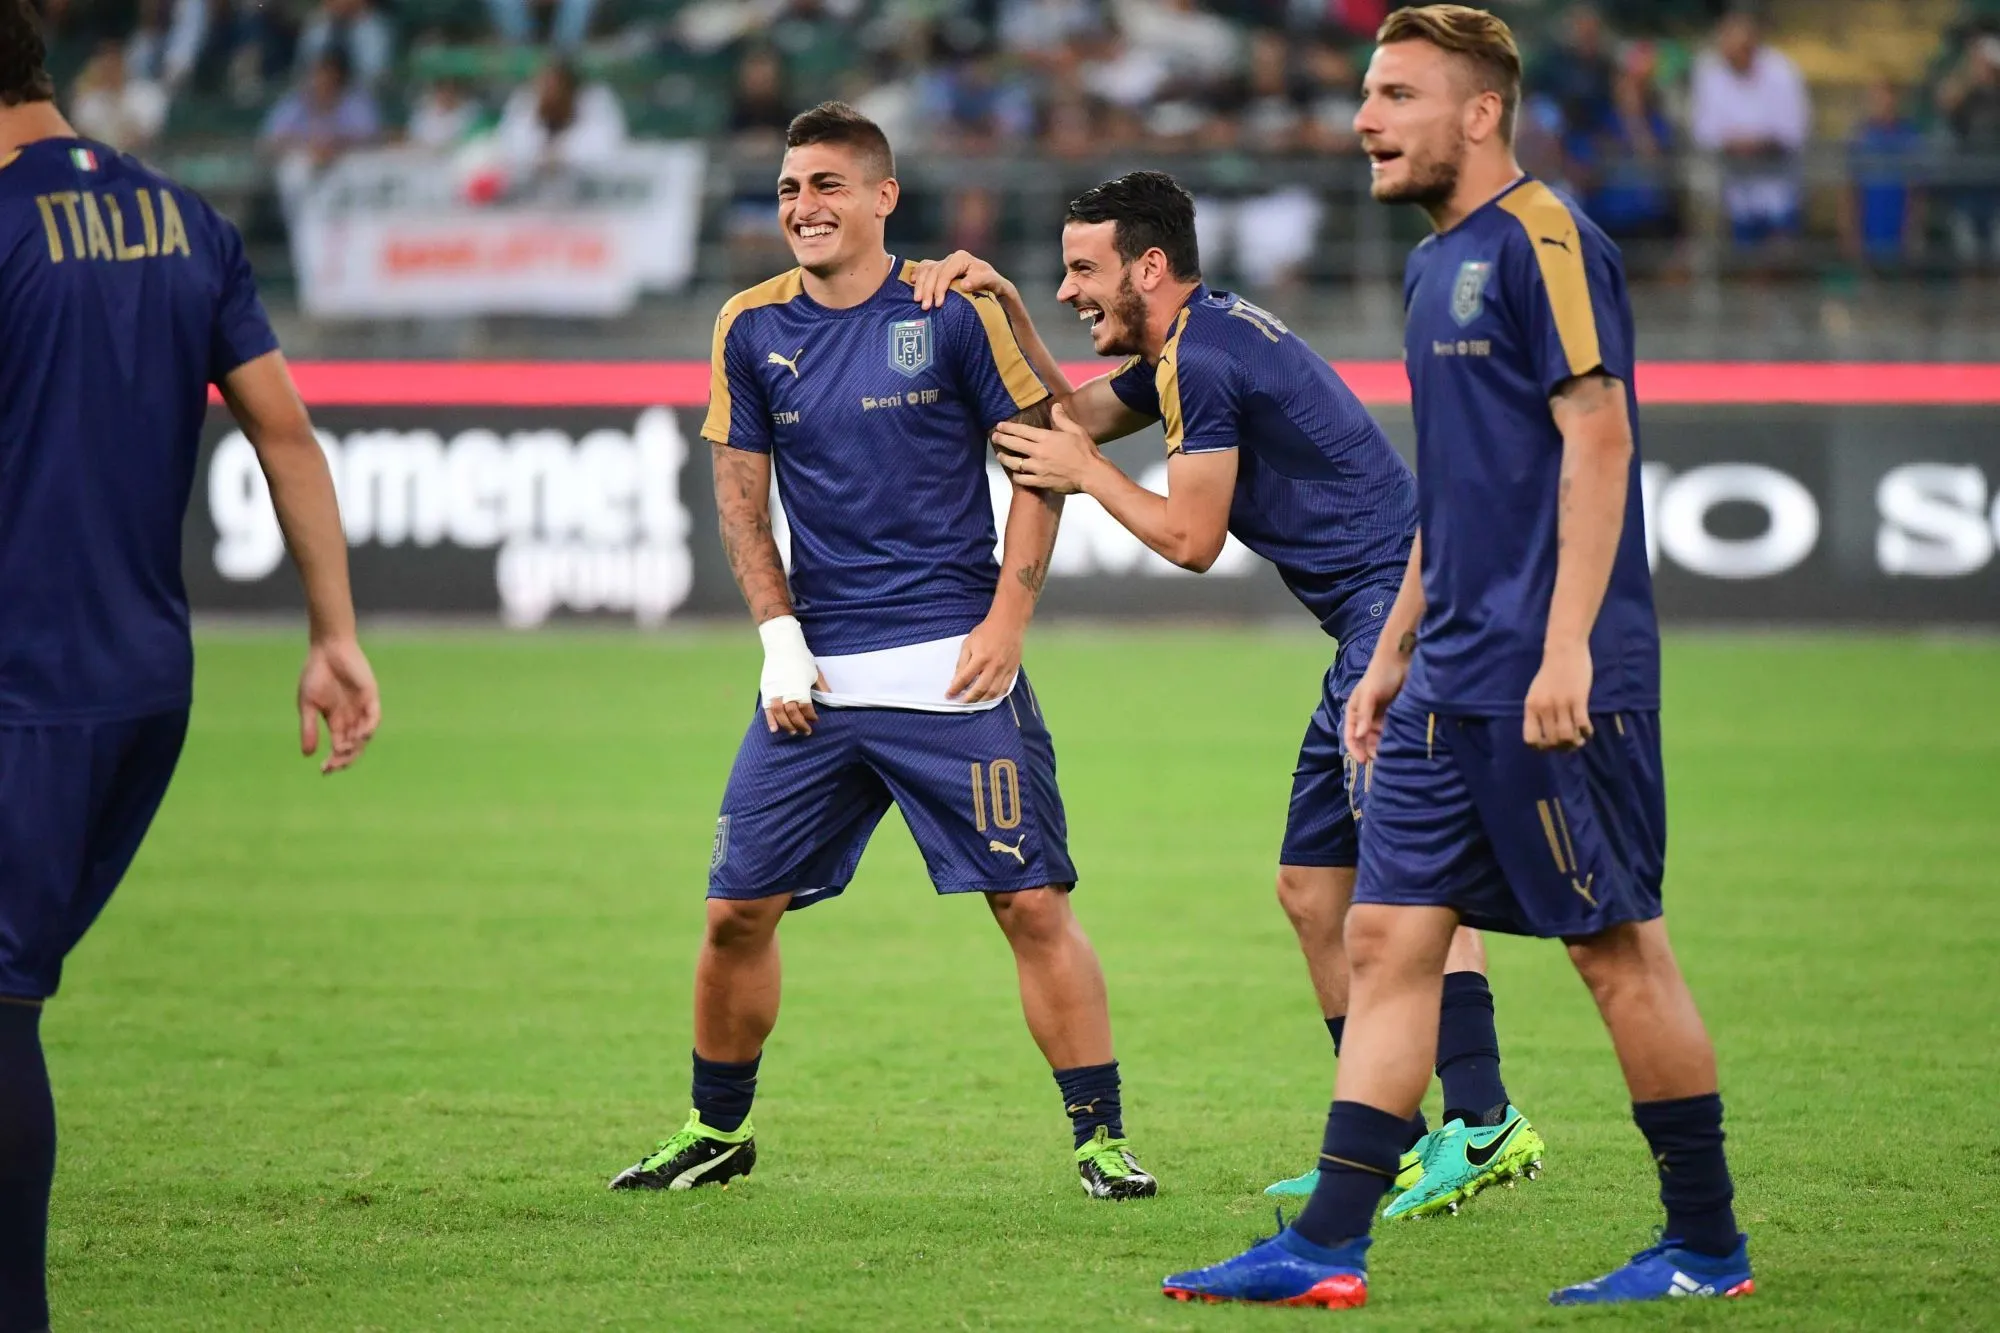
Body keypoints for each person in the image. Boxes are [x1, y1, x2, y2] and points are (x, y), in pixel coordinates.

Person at [1164, 5, 1751, 1308]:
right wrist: (1391, 657)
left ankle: (1708, 1249)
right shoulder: (1433, 267)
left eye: (1395, 96)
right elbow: (1458, 487)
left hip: (1552, 683)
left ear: (1479, 113)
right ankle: (1327, 1243)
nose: (1364, 119)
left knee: (1615, 953)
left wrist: (1563, 653)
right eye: (1368, 95)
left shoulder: (1547, 244)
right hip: (1441, 680)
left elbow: (1598, 446)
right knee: (1384, 936)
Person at [910, 168, 1545, 1223]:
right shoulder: (1184, 346)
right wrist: (1007, 312)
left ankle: (1480, 1119)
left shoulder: (1199, 358)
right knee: (1311, 890)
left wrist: (1087, 478)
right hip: (1368, 624)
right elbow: (1059, 417)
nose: (1068, 290)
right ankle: (1382, 1140)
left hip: (1410, 619)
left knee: (1411, 876)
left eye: (1081, 270)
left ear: (1147, 266)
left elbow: (1189, 540)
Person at [603, 101, 1157, 1202]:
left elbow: (1045, 457)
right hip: (817, 680)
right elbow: (739, 505)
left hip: (953, 667)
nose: (801, 208)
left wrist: (1006, 619)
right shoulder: (748, 327)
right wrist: (776, 640)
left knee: (1031, 902)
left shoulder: (946, 310)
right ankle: (716, 1131)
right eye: (787, 190)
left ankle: (1099, 1138)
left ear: (880, 197)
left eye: (824, 186)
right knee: (733, 912)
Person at [0, 5, 382, 1328]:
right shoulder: (181, 220)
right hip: (142, 685)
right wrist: (331, 631)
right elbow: (284, 432)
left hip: (19, 685)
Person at [1688, 10, 1811, 254]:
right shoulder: (1711, 73)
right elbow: (1704, 132)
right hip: (1736, 193)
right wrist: (1736, 143)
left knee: (1781, 262)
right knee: (1743, 267)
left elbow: (1795, 131)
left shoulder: (1782, 72)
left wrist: (1757, 143)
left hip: (1778, 190)